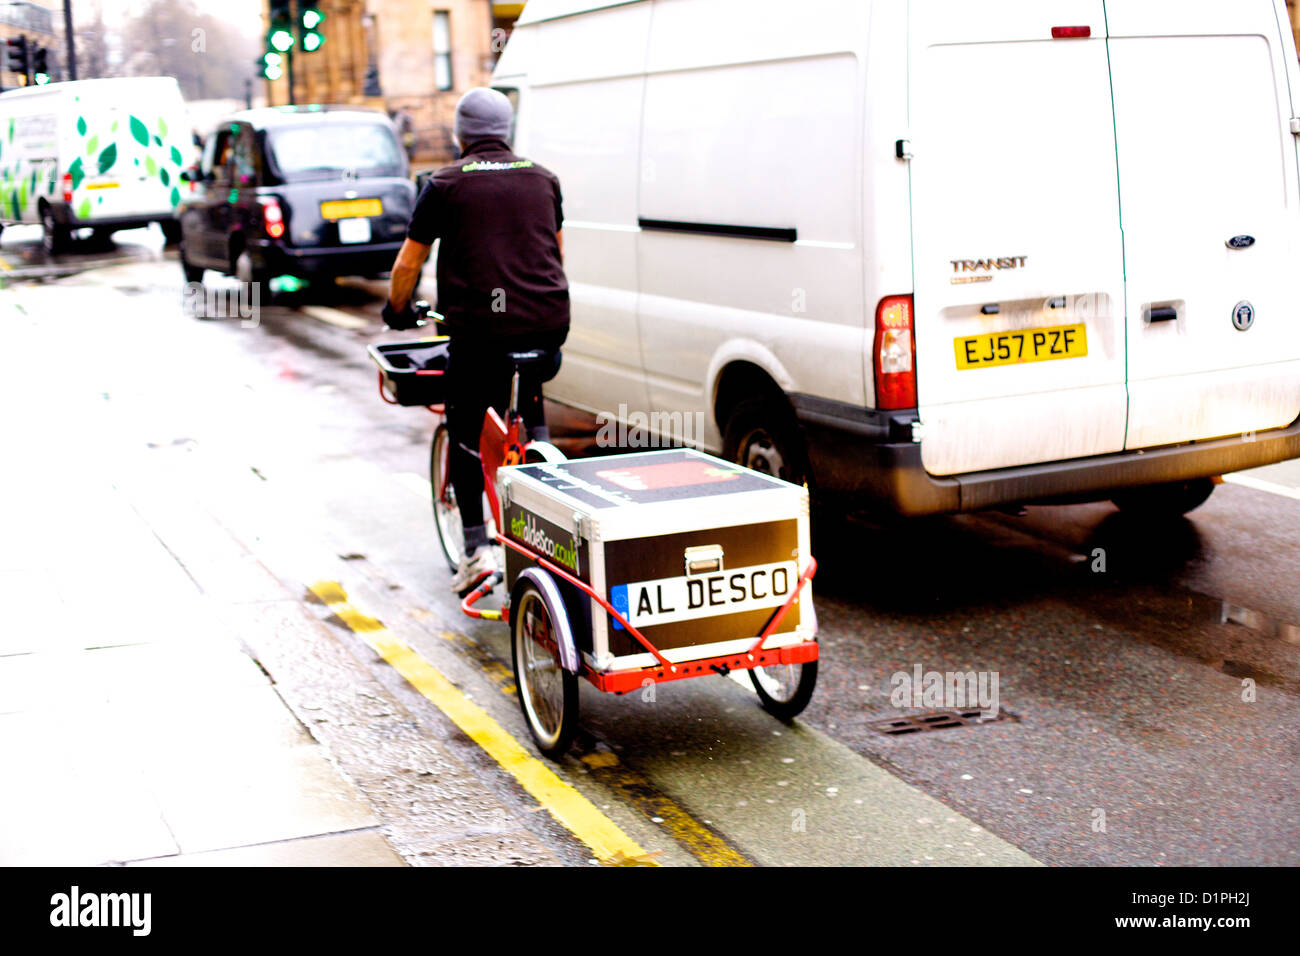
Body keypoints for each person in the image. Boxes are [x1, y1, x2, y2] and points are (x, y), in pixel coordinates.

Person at [384, 88, 569, 593]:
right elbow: (554, 255)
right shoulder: (544, 179)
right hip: (548, 328)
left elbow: (408, 262)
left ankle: (477, 553)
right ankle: (542, 452)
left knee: (464, 429)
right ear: (506, 130)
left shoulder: (443, 184)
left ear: (460, 134)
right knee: (527, 390)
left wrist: (397, 310)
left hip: (482, 337)